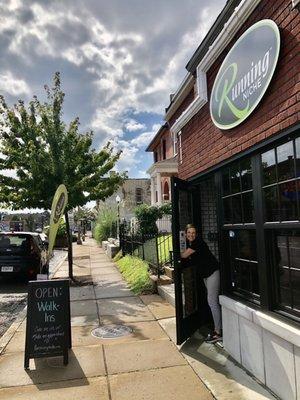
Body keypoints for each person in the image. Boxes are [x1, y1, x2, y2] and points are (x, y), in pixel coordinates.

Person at [181, 223, 222, 343]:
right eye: (189, 233)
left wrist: (176, 251)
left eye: (193, 233)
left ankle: (218, 332)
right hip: (206, 275)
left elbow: (184, 255)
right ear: (186, 234)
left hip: (212, 272)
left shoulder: (197, 242)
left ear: (196, 234)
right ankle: (217, 327)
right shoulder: (191, 244)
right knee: (211, 301)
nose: (191, 235)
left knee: (212, 301)